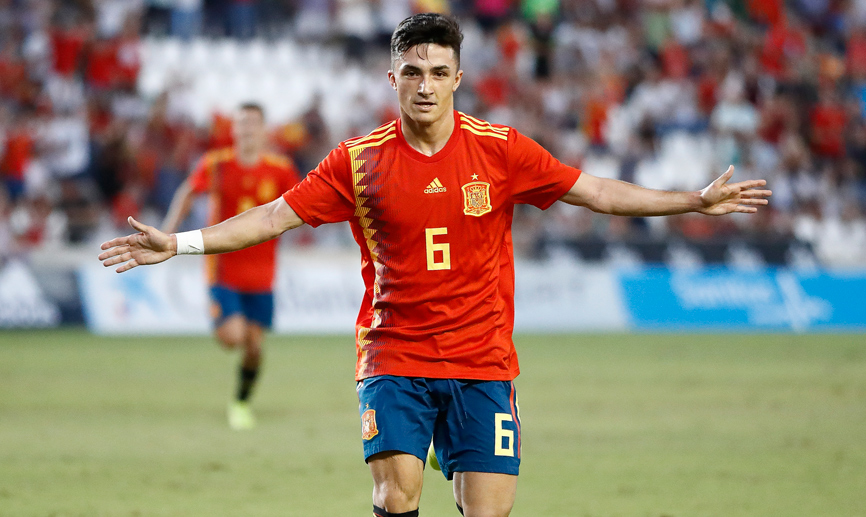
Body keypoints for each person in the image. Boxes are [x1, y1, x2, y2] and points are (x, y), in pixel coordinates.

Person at [99, 14, 771, 517]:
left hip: (482, 360)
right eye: (412, 72)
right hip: (394, 354)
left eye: (438, 72)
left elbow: (597, 191)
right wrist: (181, 242)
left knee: (491, 507)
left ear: (458, 77)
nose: (425, 85)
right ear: (393, 78)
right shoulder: (358, 161)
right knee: (397, 494)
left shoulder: (502, 149)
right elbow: (273, 216)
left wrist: (694, 200)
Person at [161, 103, 301, 430]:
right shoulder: (217, 165)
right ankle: (221, 323)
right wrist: (168, 230)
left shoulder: (280, 169)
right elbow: (187, 192)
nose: (248, 129)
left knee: (253, 347)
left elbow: (302, 201)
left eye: (254, 123)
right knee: (232, 337)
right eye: (242, 123)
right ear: (233, 131)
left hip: (262, 276)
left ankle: (241, 402)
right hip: (223, 271)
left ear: (264, 129)